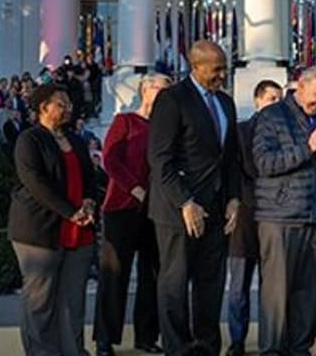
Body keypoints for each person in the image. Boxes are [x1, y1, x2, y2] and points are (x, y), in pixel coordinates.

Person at [148, 41, 243, 356]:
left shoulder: (226, 103)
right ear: (196, 65)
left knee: (211, 284)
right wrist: (185, 202)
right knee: (174, 283)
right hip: (178, 211)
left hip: (216, 209)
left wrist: (233, 198)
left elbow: (230, 157)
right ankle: (177, 349)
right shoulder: (172, 99)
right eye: (216, 69)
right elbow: (160, 159)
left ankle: (206, 347)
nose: (221, 75)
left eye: (224, 69)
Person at [252, 66, 316, 356]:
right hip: (279, 216)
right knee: (277, 292)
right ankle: (272, 350)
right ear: (301, 86)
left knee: (309, 292)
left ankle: (299, 348)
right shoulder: (272, 116)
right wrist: (307, 149)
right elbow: (265, 163)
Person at [8, 84, 100, 356]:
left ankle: (73, 350)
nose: (67, 108)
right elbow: (35, 182)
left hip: (78, 229)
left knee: (73, 299)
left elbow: (89, 177)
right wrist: (70, 211)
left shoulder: (76, 139)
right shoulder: (30, 139)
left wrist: (89, 201)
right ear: (43, 108)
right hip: (39, 229)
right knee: (40, 299)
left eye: (68, 103)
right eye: (61, 103)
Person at [93, 74, 170, 356]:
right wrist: (135, 188)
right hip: (122, 208)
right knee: (115, 274)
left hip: (157, 210)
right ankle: (105, 338)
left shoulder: (167, 128)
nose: (165, 93)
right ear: (146, 90)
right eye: (161, 88)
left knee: (153, 276)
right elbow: (110, 159)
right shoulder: (124, 121)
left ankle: (147, 336)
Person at [226, 79, 283, 356]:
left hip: (274, 215)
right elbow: (232, 170)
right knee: (238, 287)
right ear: (258, 100)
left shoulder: (285, 134)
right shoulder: (239, 131)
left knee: (270, 286)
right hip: (244, 215)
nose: (276, 104)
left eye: (279, 99)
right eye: (272, 98)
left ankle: (268, 342)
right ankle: (237, 341)